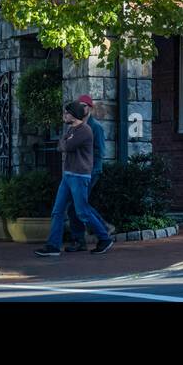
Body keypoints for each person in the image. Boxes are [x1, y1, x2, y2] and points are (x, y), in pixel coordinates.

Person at [35, 101, 113, 257]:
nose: (64, 115)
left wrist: (64, 141)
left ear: (74, 114)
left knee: (82, 211)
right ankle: (53, 246)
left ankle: (104, 238)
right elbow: (60, 146)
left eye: (66, 113)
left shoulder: (85, 130)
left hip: (79, 176)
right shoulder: (71, 129)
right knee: (57, 211)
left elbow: (65, 147)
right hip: (68, 175)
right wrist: (64, 141)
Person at [65, 94, 108, 252]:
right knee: (77, 206)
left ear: (90, 108)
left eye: (84, 105)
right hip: (76, 172)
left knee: (77, 206)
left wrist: (91, 170)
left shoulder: (95, 127)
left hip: (90, 172)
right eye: (80, 105)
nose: (82, 108)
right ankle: (83, 239)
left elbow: (100, 151)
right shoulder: (76, 126)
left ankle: (94, 234)